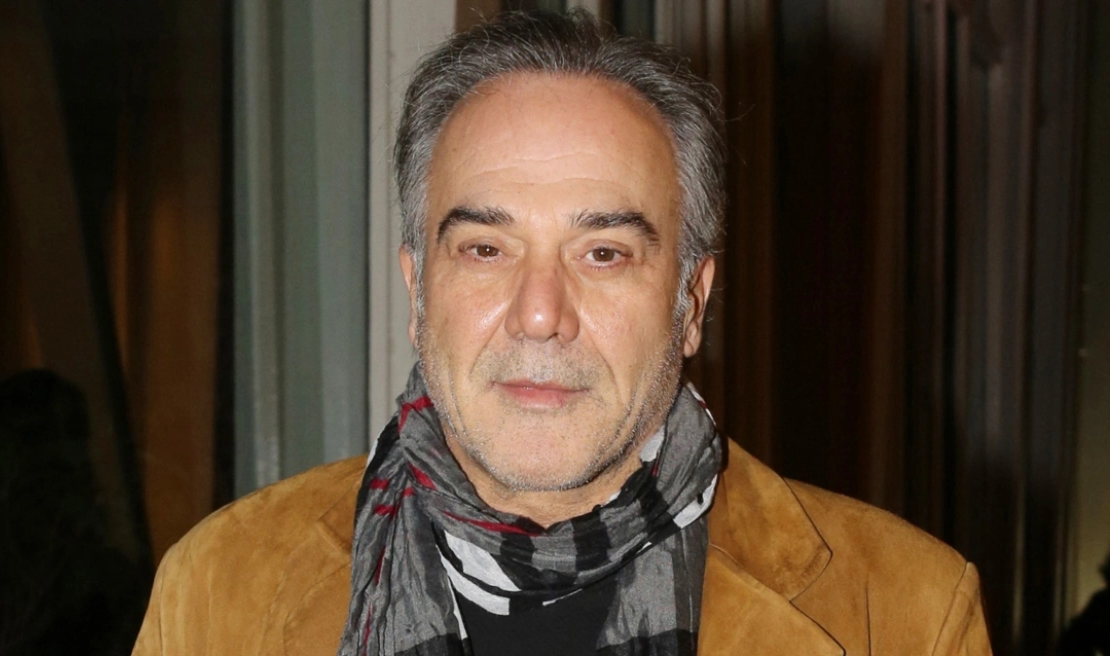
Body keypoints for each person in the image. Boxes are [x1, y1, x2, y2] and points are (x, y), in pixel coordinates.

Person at [132, 10, 992, 655]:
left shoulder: (905, 613)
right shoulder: (214, 592)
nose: (540, 312)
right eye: (485, 248)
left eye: (604, 253)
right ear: (418, 289)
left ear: (692, 302)